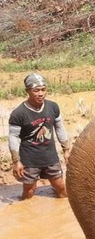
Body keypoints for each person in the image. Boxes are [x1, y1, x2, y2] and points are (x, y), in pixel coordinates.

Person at [8, 72, 71, 200]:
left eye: (43, 90)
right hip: (30, 160)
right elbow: (13, 137)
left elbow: (59, 128)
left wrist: (66, 150)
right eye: (36, 90)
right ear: (28, 91)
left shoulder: (53, 107)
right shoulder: (18, 113)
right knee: (29, 193)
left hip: (50, 157)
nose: (41, 93)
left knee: (61, 190)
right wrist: (16, 161)